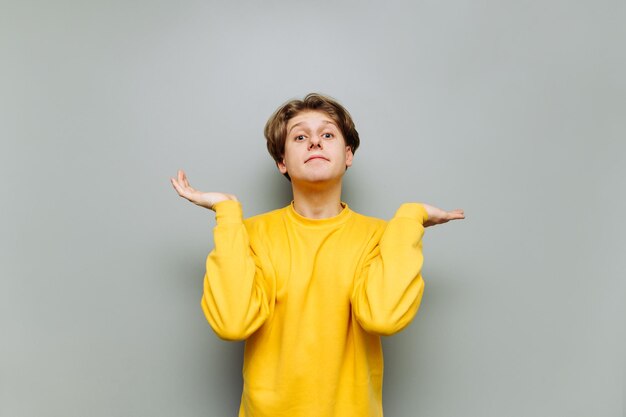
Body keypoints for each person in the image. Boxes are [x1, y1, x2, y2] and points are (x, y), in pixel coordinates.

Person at [171, 93, 465, 417]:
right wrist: (227, 214)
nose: (315, 142)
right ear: (282, 161)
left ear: (348, 154)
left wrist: (410, 218)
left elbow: (384, 316)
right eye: (299, 136)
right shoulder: (249, 235)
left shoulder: (381, 238)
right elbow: (231, 323)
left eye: (327, 134)